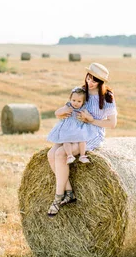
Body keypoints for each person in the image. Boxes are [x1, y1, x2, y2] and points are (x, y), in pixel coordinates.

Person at [47, 62, 117, 217]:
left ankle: (57, 198)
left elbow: (112, 124)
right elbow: (63, 111)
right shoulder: (79, 92)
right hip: (72, 129)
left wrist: (90, 119)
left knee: (60, 154)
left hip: (91, 133)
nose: (90, 83)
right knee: (51, 154)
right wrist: (63, 111)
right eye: (89, 78)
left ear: (101, 82)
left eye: (94, 80)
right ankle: (69, 191)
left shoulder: (107, 98)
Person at [47, 86, 94, 165]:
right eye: (74, 100)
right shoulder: (68, 106)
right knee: (66, 140)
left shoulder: (83, 108)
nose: (76, 103)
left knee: (82, 140)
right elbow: (57, 113)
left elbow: (91, 118)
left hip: (78, 128)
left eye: (79, 101)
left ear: (83, 102)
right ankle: (69, 156)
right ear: (70, 99)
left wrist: (86, 116)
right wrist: (64, 110)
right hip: (67, 128)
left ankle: (82, 156)